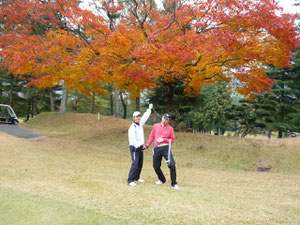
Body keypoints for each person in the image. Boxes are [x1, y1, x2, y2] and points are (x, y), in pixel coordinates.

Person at [145, 113, 179, 190]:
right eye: (165, 118)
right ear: (162, 118)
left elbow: (172, 140)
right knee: (156, 166)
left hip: (166, 147)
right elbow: (151, 137)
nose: (165, 121)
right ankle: (162, 180)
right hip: (157, 148)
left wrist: (164, 139)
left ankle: (174, 183)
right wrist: (147, 145)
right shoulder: (155, 126)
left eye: (167, 120)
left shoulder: (170, 128)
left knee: (172, 165)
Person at [127, 103, 153, 187]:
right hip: (134, 147)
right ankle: (130, 180)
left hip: (140, 147)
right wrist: (140, 145)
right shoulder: (132, 127)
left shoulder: (140, 124)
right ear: (133, 118)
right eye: (137, 116)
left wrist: (149, 109)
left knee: (140, 164)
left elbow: (145, 116)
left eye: (139, 116)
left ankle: (137, 177)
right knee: (135, 163)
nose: (138, 118)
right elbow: (133, 140)